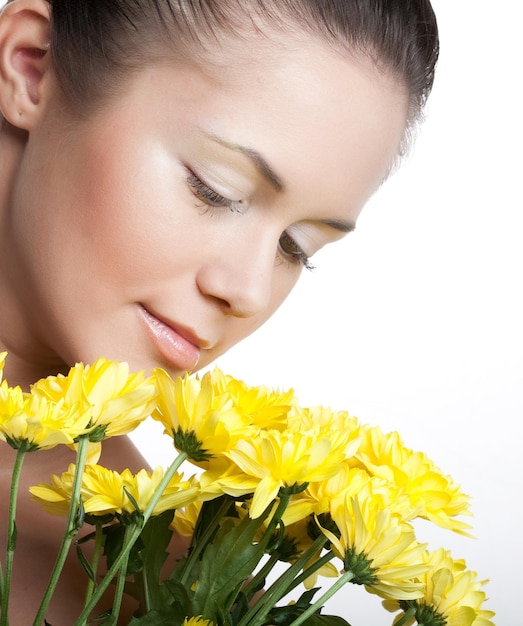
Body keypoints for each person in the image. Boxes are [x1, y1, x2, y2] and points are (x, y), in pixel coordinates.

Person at [0, 0, 439, 623]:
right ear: (31, 67)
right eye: (215, 188)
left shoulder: (177, 582)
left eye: (298, 248)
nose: (251, 291)